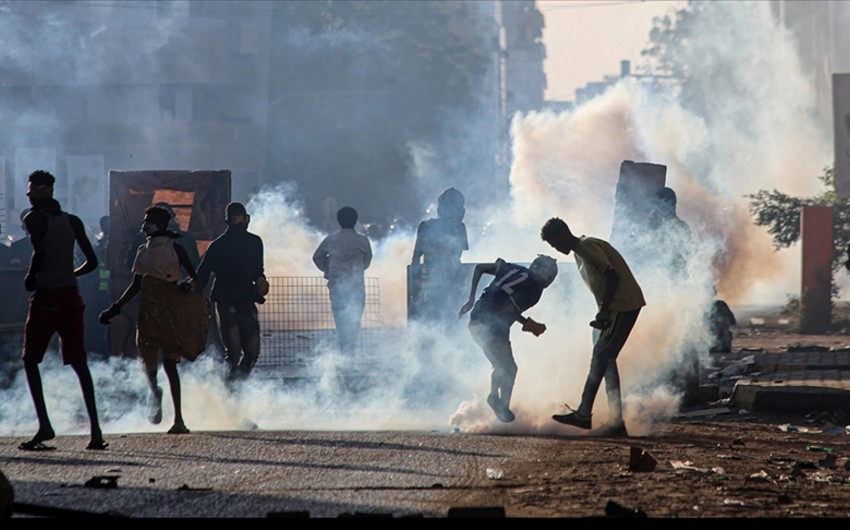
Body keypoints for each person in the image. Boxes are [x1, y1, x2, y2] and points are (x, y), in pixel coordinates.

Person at [18, 169, 108, 451]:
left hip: (46, 297)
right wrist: (69, 274)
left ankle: (45, 425)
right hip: (71, 296)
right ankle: (95, 432)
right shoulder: (72, 221)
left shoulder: (33, 218)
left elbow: (39, 252)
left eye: (32, 190)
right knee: (80, 363)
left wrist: (32, 276)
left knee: (31, 360)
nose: (29, 195)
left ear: (40, 191)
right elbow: (92, 263)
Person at [540, 217, 645, 436]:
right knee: (606, 361)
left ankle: (584, 414)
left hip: (621, 306)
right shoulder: (583, 248)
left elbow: (612, 276)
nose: (556, 249)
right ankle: (616, 422)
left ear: (562, 236)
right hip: (621, 305)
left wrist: (605, 310)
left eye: (555, 244)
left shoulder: (586, 247)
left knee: (601, 358)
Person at [99, 205, 198, 435]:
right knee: (149, 365)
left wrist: (187, 285)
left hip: (171, 311)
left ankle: (179, 419)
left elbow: (195, 276)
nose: (146, 225)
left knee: (170, 363)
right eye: (145, 220)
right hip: (148, 311)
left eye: (150, 221)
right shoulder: (143, 252)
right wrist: (115, 308)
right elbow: (136, 285)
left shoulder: (177, 249)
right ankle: (155, 392)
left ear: (162, 224)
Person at [458, 255, 558, 423]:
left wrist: (471, 299)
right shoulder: (535, 288)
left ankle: (497, 403)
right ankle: (500, 404)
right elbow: (508, 309)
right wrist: (528, 324)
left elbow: (479, 268)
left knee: (501, 365)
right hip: (494, 328)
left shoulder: (513, 268)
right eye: (551, 276)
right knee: (509, 368)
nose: (550, 281)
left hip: (475, 320)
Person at [194, 202, 267, 383]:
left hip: (246, 298)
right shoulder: (218, 245)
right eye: (237, 219)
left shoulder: (254, 242)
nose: (240, 223)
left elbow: (258, 270)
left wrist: (260, 281)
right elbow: (202, 275)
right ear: (229, 221)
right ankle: (230, 391)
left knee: (252, 351)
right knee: (233, 353)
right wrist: (192, 293)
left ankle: (235, 385)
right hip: (225, 300)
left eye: (242, 219)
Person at [312, 206, 373, 358]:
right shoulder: (362, 241)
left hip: (337, 286)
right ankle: (349, 353)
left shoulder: (331, 239)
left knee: (340, 321)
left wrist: (328, 269)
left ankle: (345, 353)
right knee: (354, 321)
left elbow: (317, 257)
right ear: (355, 221)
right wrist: (357, 270)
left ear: (339, 221)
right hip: (356, 286)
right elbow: (367, 261)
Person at [409, 187, 469, 325]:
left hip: (430, 281)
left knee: (431, 318)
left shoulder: (425, 226)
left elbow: (416, 257)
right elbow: (458, 254)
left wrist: (414, 285)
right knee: (452, 318)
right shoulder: (459, 227)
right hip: (453, 281)